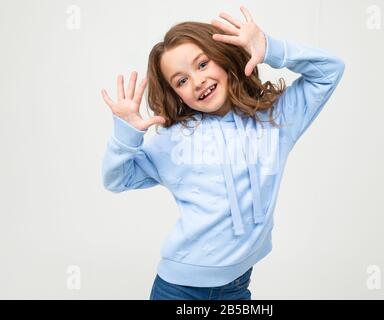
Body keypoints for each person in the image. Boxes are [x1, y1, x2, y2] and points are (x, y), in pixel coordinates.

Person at [100, 6, 345, 300]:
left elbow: (330, 71)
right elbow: (117, 179)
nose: (197, 81)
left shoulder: (276, 120)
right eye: (181, 81)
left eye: (202, 64)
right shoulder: (174, 139)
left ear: (223, 56)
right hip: (178, 289)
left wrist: (269, 48)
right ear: (175, 94)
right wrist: (126, 134)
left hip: (237, 285)